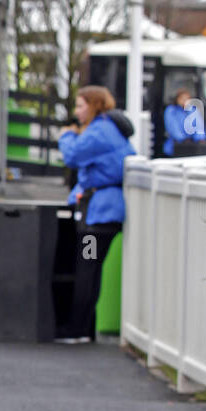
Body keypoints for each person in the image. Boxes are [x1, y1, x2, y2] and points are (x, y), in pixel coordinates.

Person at [55, 85, 135, 344]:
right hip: (102, 212)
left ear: (94, 105)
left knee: (87, 270)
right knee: (90, 269)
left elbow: (73, 156)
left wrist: (66, 135)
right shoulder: (108, 130)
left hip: (98, 217)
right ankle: (82, 327)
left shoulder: (101, 131)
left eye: (80, 105)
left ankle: (78, 329)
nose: (76, 112)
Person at [163, 88, 206, 156]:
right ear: (177, 99)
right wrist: (182, 139)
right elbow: (172, 127)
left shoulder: (193, 110)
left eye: (187, 99)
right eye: (182, 99)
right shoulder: (171, 110)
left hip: (192, 146)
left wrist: (199, 138)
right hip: (175, 146)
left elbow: (199, 126)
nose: (185, 101)